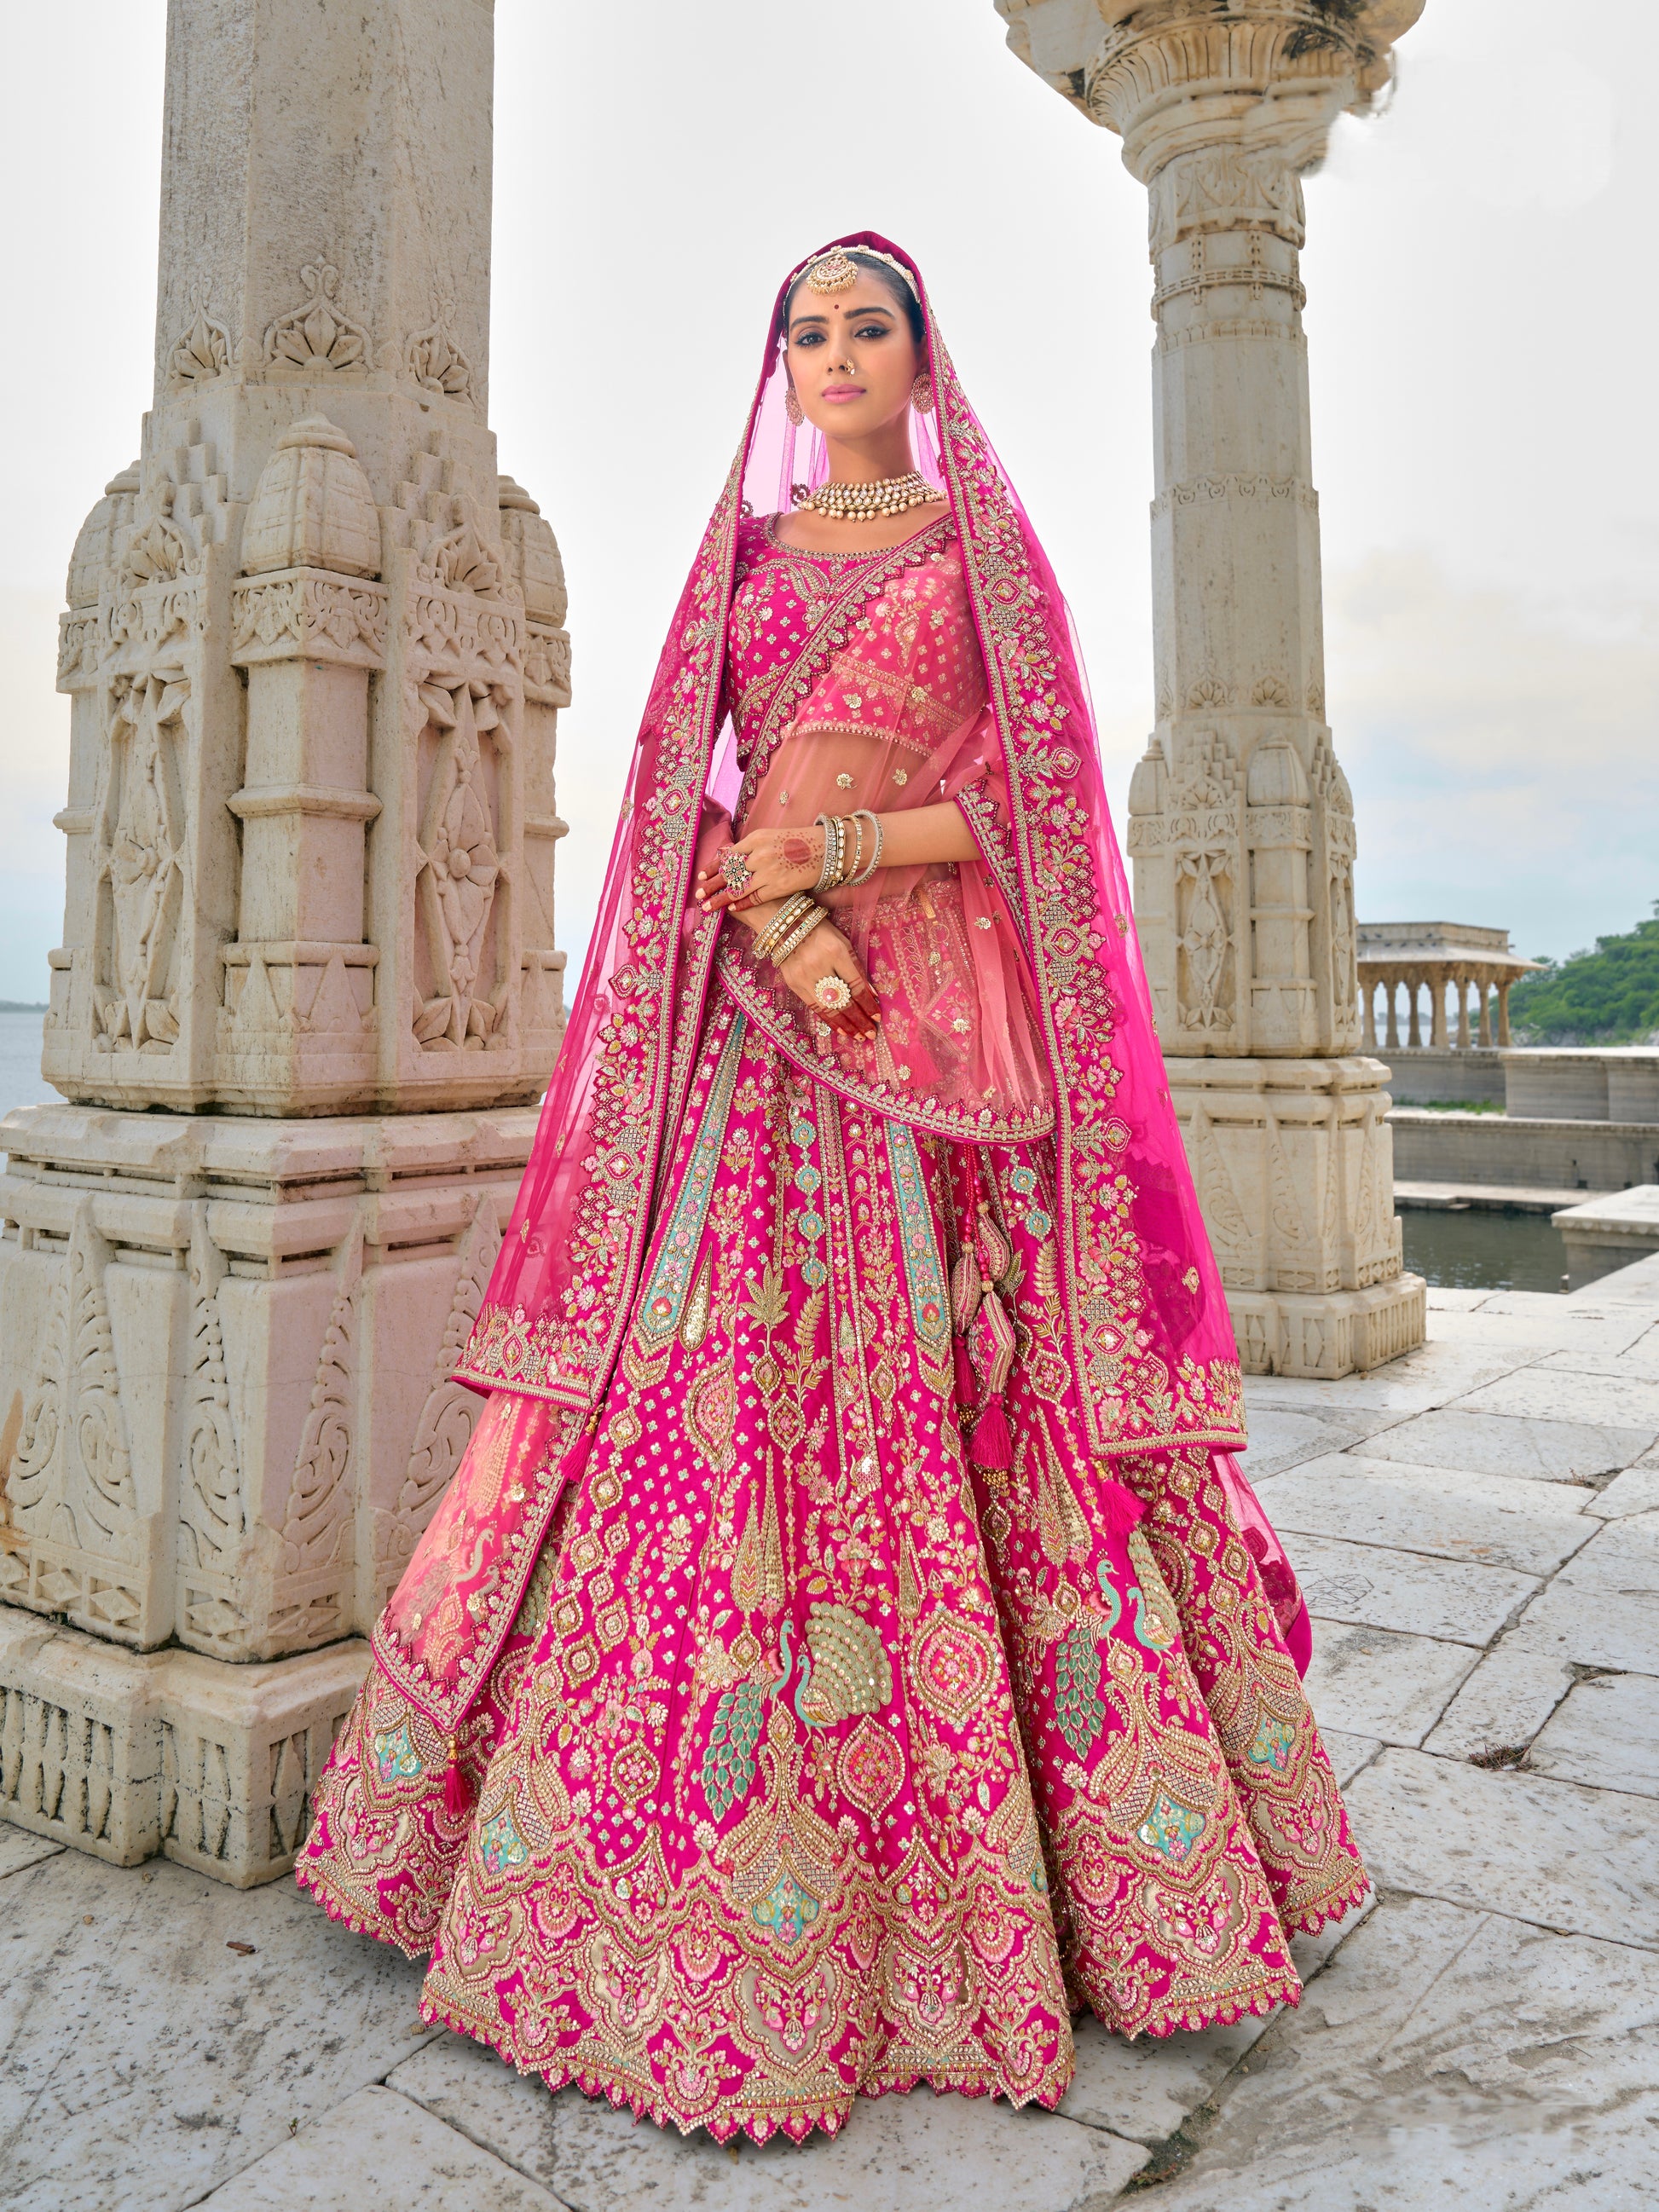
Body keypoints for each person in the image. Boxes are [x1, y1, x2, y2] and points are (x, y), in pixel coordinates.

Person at [297, 234, 1367, 2144]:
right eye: (809, 331)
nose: (838, 352)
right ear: (781, 367)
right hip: (750, 1028)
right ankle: (620, 1889)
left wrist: (849, 849)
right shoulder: (744, 565)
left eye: (868, 324)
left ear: (921, 355)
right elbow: (674, 788)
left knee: (961, 1401)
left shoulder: (973, 563)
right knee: (698, 1399)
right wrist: (759, 890)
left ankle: (1050, 1887)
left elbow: (1041, 799)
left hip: (928, 1041)